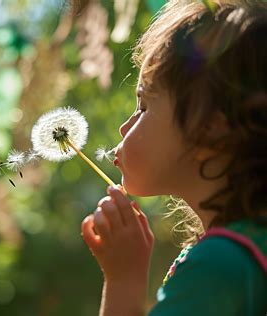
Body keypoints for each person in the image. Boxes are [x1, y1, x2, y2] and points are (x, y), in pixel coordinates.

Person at [80, 1, 267, 315]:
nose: (124, 126)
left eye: (143, 106)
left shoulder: (219, 266)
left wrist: (124, 280)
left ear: (209, 129)